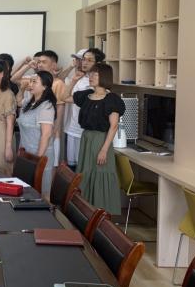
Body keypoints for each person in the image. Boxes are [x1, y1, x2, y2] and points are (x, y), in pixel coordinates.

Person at [67, 63, 125, 215]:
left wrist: (104, 150)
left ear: (104, 77)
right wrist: (73, 81)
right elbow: (63, 97)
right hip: (86, 138)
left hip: (101, 140)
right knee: (85, 172)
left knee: (100, 172)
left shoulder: (112, 99)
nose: (91, 77)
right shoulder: (86, 95)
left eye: (95, 74)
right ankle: (85, 212)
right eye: (91, 74)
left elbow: (113, 126)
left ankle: (101, 214)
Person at [62, 48, 105, 169]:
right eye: (83, 59)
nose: (84, 63)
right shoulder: (79, 77)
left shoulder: (99, 83)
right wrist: (74, 80)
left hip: (86, 132)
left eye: (89, 60)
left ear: (98, 63)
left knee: (84, 168)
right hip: (72, 127)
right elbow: (64, 97)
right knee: (72, 168)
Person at [16, 71, 57, 196]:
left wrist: (37, 160)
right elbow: (18, 102)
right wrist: (22, 89)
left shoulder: (46, 106)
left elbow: (46, 135)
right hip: (26, 151)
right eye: (31, 81)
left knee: (39, 192)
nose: (31, 84)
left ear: (44, 86)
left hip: (38, 154)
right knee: (24, 190)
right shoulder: (30, 101)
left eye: (35, 82)